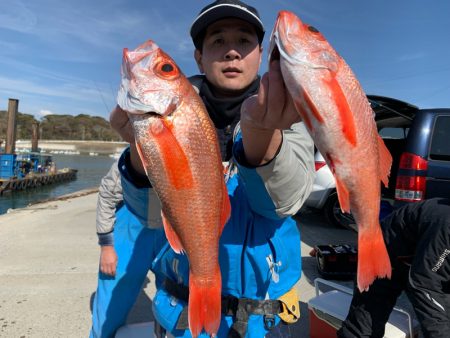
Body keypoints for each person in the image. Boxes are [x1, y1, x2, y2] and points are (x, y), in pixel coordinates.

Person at [90, 1, 315, 337]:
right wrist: (140, 157)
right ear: (198, 57)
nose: (232, 53)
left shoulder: (288, 112)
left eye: (244, 41)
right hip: (180, 313)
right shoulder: (170, 113)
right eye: (217, 42)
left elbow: (284, 203)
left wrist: (264, 137)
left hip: (262, 319)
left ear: (260, 54)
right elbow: (151, 217)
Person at [337, 198, 450, 338]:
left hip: (414, 257)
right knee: (366, 324)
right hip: (380, 253)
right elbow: (425, 284)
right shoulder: (445, 227)